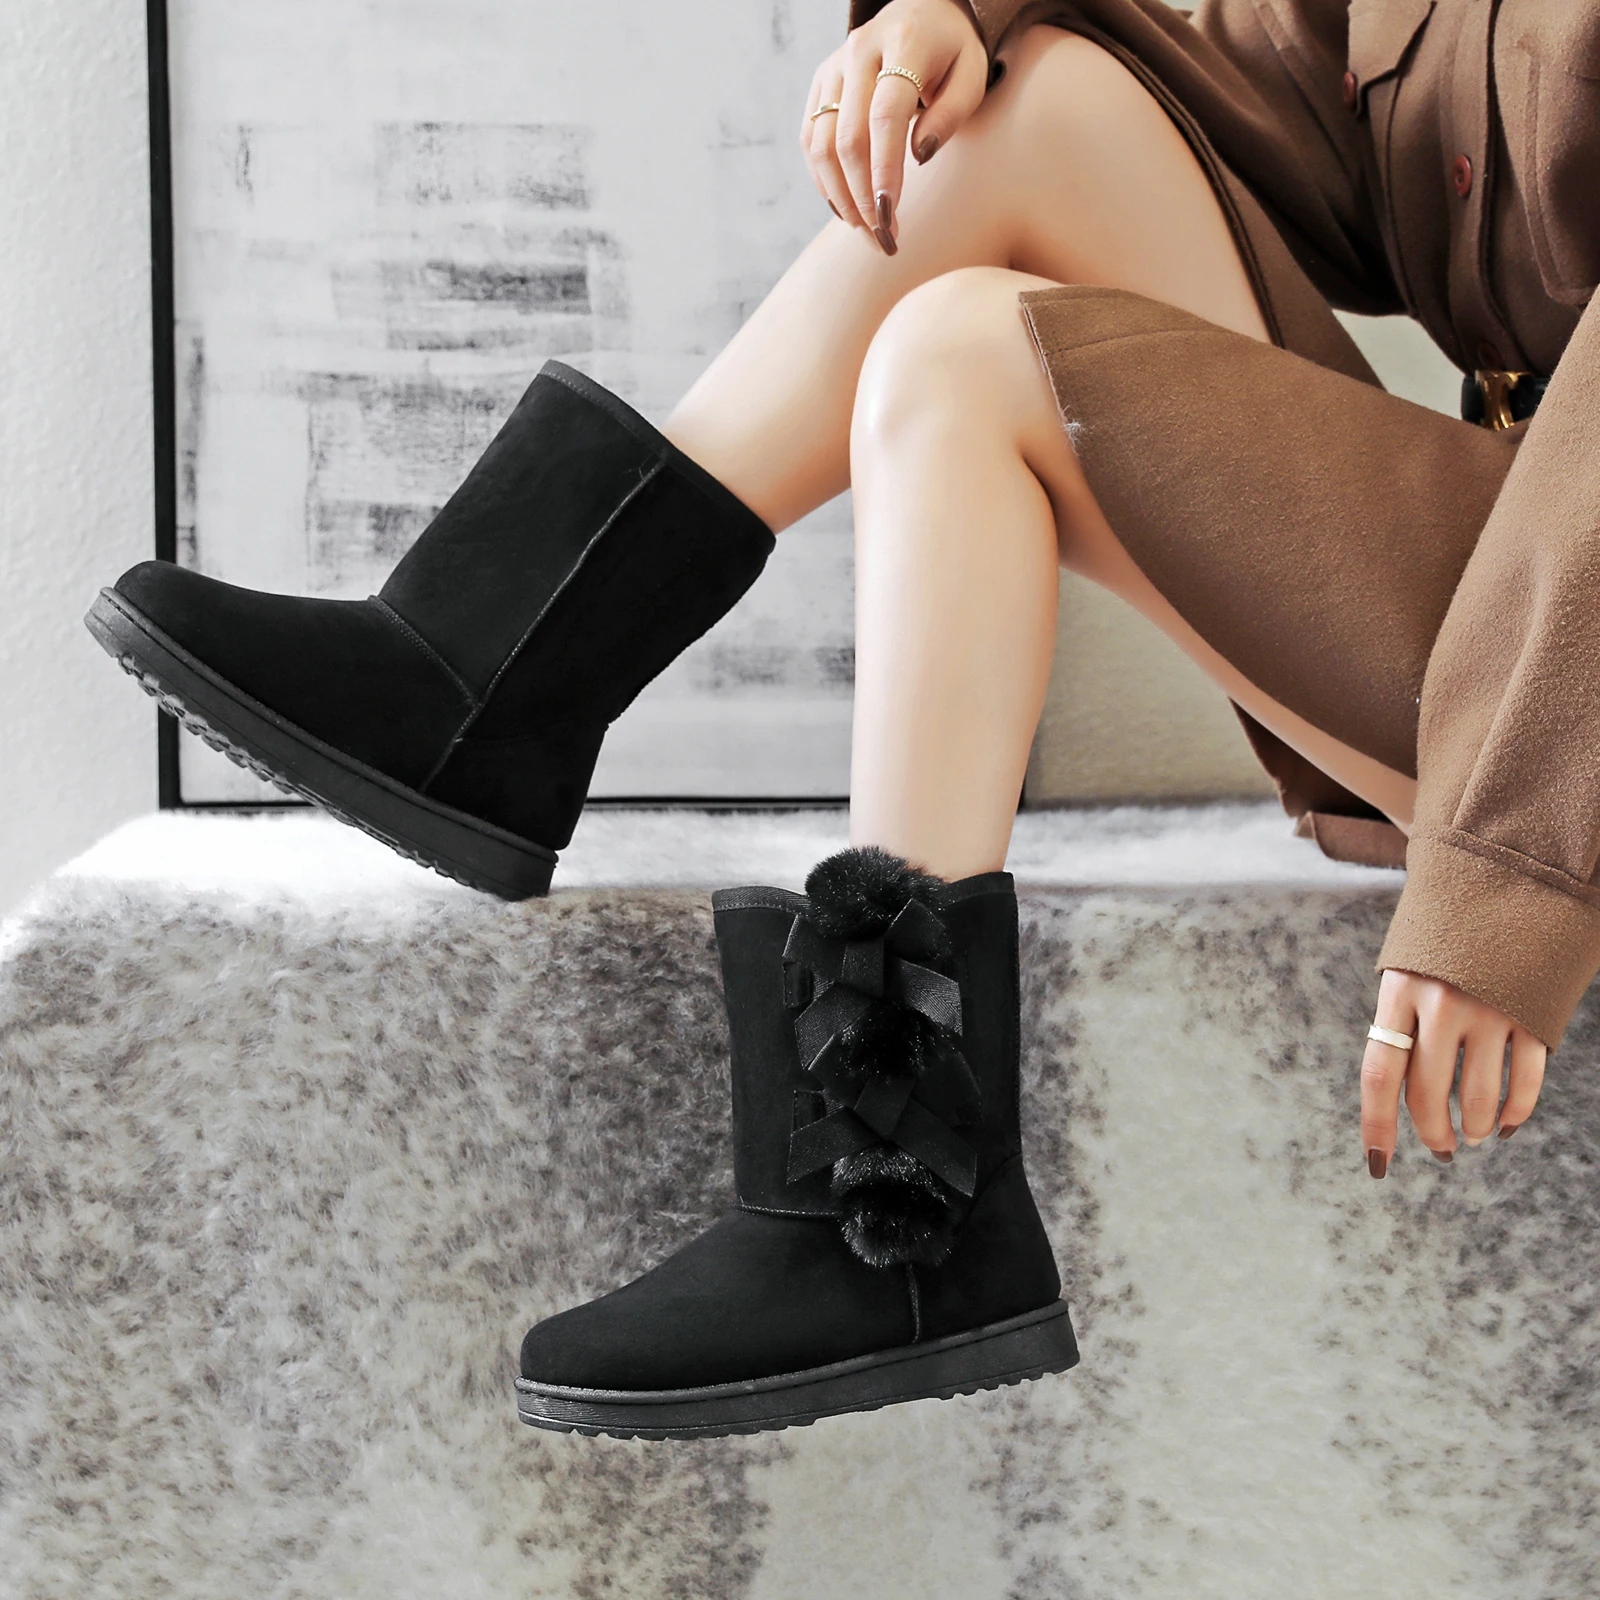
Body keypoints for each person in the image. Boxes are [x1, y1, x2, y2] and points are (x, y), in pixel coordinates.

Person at [87, 0, 1598, 1436]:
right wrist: (965, 23)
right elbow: (1308, 139)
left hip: (1567, 673)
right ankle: (488, 675)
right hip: (1521, 553)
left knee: (958, 361)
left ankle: (899, 1194)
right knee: (1032, 104)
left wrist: (1515, 867)